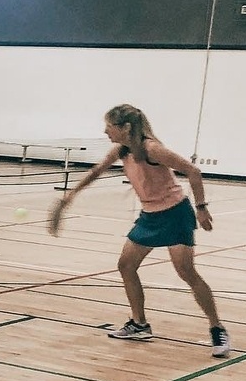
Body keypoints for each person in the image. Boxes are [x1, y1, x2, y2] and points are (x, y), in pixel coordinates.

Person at [54, 104, 230, 357]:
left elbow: (193, 171)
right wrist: (70, 196)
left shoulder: (152, 149)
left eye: (109, 126)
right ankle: (139, 324)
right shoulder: (121, 151)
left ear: (125, 127)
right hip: (149, 215)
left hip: (175, 214)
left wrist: (201, 208)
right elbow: (96, 172)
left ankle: (217, 328)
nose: (105, 131)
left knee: (186, 272)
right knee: (126, 265)